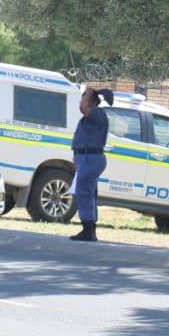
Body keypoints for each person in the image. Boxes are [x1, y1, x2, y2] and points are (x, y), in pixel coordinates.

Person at [69, 87, 113, 242]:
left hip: (90, 158)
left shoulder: (97, 113)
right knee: (88, 193)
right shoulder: (95, 116)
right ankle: (90, 229)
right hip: (88, 158)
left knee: (84, 193)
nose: (81, 101)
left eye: (84, 98)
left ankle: (88, 230)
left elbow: (83, 107)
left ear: (93, 102)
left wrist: (89, 91)